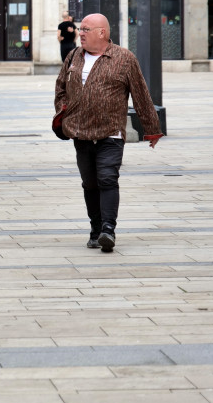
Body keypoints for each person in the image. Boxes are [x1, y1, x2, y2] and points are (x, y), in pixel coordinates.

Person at [54, 13, 163, 253]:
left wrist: (152, 129)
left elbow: (141, 94)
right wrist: (63, 113)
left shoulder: (124, 58)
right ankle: (95, 230)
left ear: (102, 32)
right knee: (90, 183)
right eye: (80, 29)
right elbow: (60, 87)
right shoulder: (73, 56)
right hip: (81, 132)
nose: (80, 33)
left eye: (85, 29)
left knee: (107, 179)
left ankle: (108, 230)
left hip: (110, 133)